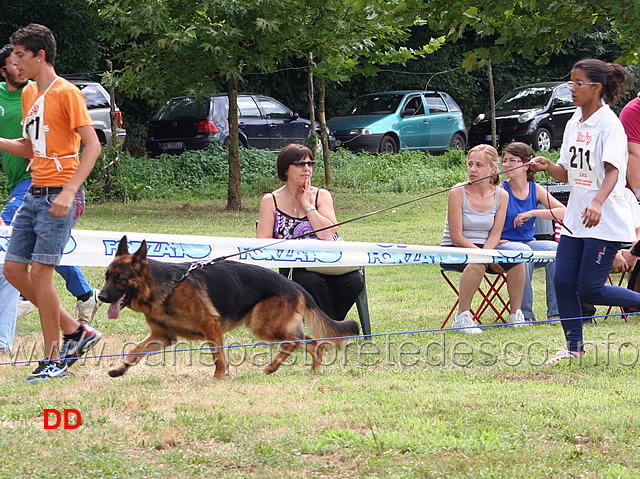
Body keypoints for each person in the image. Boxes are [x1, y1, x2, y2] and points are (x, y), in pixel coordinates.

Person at [0, 24, 102, 382]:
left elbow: (93, 145)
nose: (14, 61)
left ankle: (53, 358)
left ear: (40, 56)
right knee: (13, 270)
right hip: (34, 192)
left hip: (60, 193)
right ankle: (78, 332)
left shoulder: (66, 93)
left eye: (20, 55)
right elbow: (30, 148)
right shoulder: (30, 95)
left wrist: (70, 191)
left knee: (41, 275)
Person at [530, 58, 640, 365]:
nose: (572, 89)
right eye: (571, 82)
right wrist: (547, 166)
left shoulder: (610, 125)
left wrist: (597, 202)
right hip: (576, 220)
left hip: (603, 219)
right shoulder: (573, 122)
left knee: (590, 289)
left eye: (579, 83)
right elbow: (565, 172)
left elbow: (614, 172)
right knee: (563, 282)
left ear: (596, 88)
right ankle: (574, 348)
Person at [257, 143, 364, 322]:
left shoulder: (322, 195)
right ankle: (333, 331)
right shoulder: (271, 200)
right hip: (296, 265)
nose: (307, 168)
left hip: (330, 261)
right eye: (300, 164)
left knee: (354, 282)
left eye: (310, 164)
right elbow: (262, 241)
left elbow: (327, 234)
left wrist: (308, 206)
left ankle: (328, 329)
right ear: (285, 170)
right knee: (311, 281)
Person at [441, 144, 526, 334]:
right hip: (456, 249)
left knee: (518, 258)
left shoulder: (501, 195)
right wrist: (484, 257)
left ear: (492, 169)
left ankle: (515, 314)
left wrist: (487, 254)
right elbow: (456, 236)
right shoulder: (457, 192)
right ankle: (462, 316)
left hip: (486, 248)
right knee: (478, 264)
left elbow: (496, 234)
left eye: (479, 165)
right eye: (470, 164)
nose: (472, 169)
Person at [497, 142, 566, 322]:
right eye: (504, 160)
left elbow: (563, 212)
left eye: (513, 160)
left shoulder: (535, 189)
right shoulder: (501, 189)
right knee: (524, 253)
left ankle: (556, 313)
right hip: (504, 244)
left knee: (557, 249)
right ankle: (524, 314)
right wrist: (496, 240)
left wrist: (533, 212)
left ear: (527, 165)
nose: (506, 165)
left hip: (528, 241)